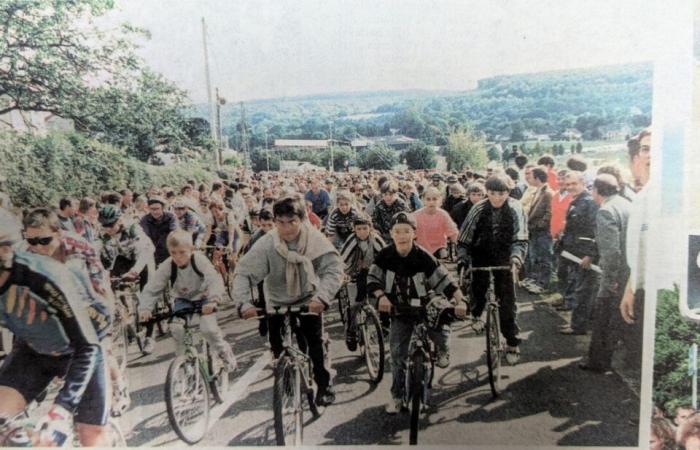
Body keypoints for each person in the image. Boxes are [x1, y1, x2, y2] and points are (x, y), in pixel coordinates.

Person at [0, 209, 112, 446]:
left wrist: (62, 409)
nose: (38, 245)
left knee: (90, 435)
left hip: (79, 349)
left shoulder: (46, 275)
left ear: (5, 250)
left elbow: (88, 346)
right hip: (33, 351)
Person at [234, 195, 343, 406]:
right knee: (277, 347)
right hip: (276, 299)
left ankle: (324, 384)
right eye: (280, 222)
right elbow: (243, 273)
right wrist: (244, 303)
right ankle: (284, 386)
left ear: (302, 220)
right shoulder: (267, 244)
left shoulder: (314, 240)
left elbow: (333, 269)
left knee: (313, 343)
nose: (285, 228)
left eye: (291, 221)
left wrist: (322, 297)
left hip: (308, 297)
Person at [368, 211, 467, 414]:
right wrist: (381, 297)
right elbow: (372, 279)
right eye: (397, 231)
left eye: (406, 231)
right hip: (398, 308)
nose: (402, 236)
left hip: (423, 305)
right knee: (397, 355)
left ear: (414, 233)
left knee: (439, 327)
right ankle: (397, 396)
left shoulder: (423, 256)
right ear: (391, 234)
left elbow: (445, 280)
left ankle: (443, 348)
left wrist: (461, 300)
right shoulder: (385, 255)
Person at [138, 230, 237, 371]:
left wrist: (214, 300)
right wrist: (145, 309)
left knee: (208, 329)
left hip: (205, 299)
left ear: (192, 250)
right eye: (173, 253)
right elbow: (152, 288)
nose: (177, 257)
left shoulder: (199, 260)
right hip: (183, 300)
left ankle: (223, 351)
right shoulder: (168, 265)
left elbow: (214, 279)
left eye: (182, 252)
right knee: (177, 329)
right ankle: (184, 365)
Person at [457, 173, 528, 363]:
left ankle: (512, 342)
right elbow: (464, 239)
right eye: (493, 193)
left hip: (506, 255)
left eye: (502, 193)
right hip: (482, 252)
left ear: (508, 192)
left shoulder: (516, 208)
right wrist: (463, 260)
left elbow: (520, 238)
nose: (497, 197)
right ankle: (477, 314)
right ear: (486, 192)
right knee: (477, 286)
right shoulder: (478, 208)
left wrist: (516, 259)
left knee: (507, 301)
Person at [578, 174, 631, 372]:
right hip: (629, 272)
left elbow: (611, 252)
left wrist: (609, 280)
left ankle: (598, 362)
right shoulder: (626, 204)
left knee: (603, 319)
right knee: (617, 319)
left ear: (597, 191)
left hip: (616, 275)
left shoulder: (606, 211)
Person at [558, 171, 600, 335]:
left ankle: (579, 326)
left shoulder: (589, 203)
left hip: (585, 255)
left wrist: (590, 255)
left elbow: (594, 231)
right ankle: (578, 323)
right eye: (567, 185)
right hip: (574, 254)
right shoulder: (576, 201)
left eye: (574, 184)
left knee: (583, 291)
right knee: (579, 288)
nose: (570, 188)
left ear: (583, 183)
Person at [340, 214, 385, 351]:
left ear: (370, 228)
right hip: (355, 271)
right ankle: (351, 331)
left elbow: (386, 256)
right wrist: (342, 274)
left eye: (365, 228)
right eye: (358, 229)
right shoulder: (352, 240)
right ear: (354, 229)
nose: (362, 232)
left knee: (381, 297)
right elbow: (342, 259)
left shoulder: (376, 239)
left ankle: (384, 323)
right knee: (355, 303)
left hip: (374, 272)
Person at [522, 166, 553, 294]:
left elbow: (548, 213)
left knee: (544, 258)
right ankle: (535, 280)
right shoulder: (538, 191)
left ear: (537, 177)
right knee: (535, 257)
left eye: (531, 176)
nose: (529, 178)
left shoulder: (548, 193)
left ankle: (542, 284)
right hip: (534, 231)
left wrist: (538, 225)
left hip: (542, 232)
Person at [414, 187, 459, 259]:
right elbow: (410, 232)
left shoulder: (443, 214)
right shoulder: (416, 215)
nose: (431, 202)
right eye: (428, 199)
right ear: (423, 200)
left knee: (443, 254)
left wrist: (458, 247)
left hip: (439, 247)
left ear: (440, 200)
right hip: (421, 247)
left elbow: (453, 232)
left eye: (434, 199)